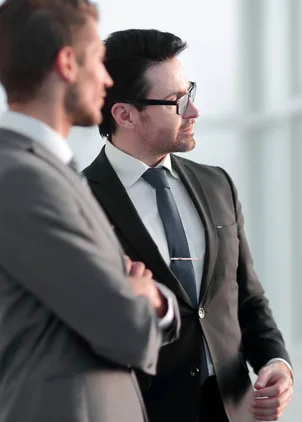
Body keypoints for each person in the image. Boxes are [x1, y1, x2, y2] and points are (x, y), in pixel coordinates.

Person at [83, 29, 293, 422]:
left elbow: (246, 297)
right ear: (124, 114)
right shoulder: (76, 202)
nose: (193, 111)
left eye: (190, 93)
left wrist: (277, 362)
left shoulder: (218, 185)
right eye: (177, 102)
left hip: (235, 409)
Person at [0, 2, 181, 422]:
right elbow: (124, 328)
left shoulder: (46, 171)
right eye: (98, 62)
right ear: (66, 63)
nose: (106, 79)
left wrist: (135, 293)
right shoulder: (23, 177)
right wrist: (148, 295)